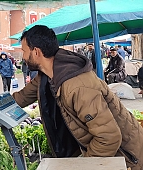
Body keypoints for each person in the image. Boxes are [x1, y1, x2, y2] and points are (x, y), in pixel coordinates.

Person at [12, 25, 143, 170]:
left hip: (127, 157)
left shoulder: (77, 86)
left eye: (24, 51)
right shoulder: (49, 74)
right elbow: (22, 97)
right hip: (107, 154)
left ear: (36, 52)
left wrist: (83, 165)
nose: (23, 57)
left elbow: (108, 137)